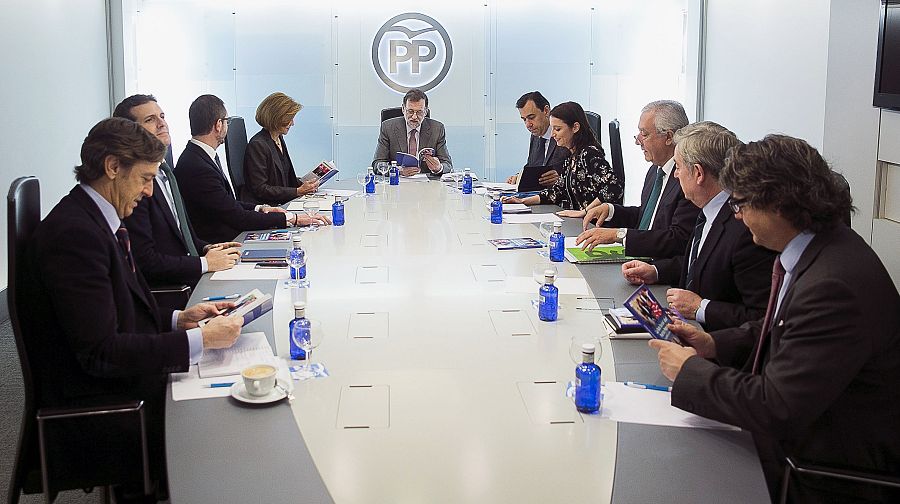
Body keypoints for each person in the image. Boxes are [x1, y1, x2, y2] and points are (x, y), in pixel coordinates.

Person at [649, 135, 900, 502]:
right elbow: (784, 326)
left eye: (741, 204)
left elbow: (776, 407)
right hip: (803, 439)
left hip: (820, 472)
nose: (737, 215)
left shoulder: (832, 286)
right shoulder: (822, 246)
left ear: (778, 204)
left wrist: (690, 372)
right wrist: (715, 342)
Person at [20, 117, 244, 494]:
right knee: (229, 415)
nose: (150, 192)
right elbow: (102, 353)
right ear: (112, 167)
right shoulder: (75, 235)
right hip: (100, 400)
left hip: (112, 379)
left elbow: (115, 311)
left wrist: (178, 319)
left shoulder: (93, 217)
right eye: (144, 178)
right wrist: (201, 341)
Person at [621, 122, 775, 331]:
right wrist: (656, 272)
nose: (675, 175)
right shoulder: (707, 209)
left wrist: (701, 308)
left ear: (698, 173)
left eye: (678, 167)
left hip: (715, 342)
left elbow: (762, 318)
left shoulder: (745, 229)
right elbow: (700, 265)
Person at [115, 94, 241, 301]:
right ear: (129, 133)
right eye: (150, 120)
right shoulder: (135, 186)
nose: (161, 123)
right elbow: (145, 260)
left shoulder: (166, 173)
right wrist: (205, 263)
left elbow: (183, 236)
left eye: (162, 116)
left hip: (192, 276)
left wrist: (206, 248)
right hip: (174, 292)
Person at [174, 94, 330, 244]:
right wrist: (292, 219)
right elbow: (235, 215)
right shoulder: (198, 167)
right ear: (219, 125)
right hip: (226, 243)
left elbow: (229, 204)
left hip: (233, 232)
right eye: (227, 121)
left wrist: (261, 209)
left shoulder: (201, 157)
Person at [565, 100, 699, 259]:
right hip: (639, 259)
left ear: (669, 137)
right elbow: (647, 219)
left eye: (645, 134)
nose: (637, 141)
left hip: (659, 266)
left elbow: (678, 239)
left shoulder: (686, 179)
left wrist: (619, 235)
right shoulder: (655, 170)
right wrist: (611, 210)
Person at [502, 101, 622, 210]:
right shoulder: (571, 156)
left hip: (591, 222)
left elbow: (614, 187)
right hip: (574, 219)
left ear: (575, 127)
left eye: (558, 129)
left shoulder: (590, 154)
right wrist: (522, 201)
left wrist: (584, 212)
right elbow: (557, 192)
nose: (553, 134)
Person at [242, 92, 318, 205]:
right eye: (289, 119)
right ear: (276, 118)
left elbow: (284, 178)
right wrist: (297, 191)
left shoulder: (278, 138)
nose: (292, 123)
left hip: (281, 202)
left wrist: (305, 184)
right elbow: (260, 189)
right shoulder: (258, 145)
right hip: (268, 206)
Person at [372, 88, 452, 176]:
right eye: (410, 111)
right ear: (403, 109)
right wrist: (398, 171)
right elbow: (377, 164)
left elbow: (448, 165)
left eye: (419, 112)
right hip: (397, 181)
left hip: (426, 182)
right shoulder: (388, 128)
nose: (414, 117)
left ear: (425, 112)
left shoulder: (437, 129)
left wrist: (439, 168)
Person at [505, 91, 570, 187]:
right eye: (524, 119)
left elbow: (581, 172)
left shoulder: (565, 134)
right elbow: (532, 166)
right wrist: (519, 177)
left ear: (546, 111)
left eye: (531, 117)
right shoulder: (536, 135)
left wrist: (562, 179)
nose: (528, 124)